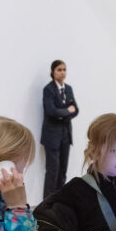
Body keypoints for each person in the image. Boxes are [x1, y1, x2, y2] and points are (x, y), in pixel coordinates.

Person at [41, 59, 78, 197]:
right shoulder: (48, 89)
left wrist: (62, 113)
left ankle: (59, 202)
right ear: (52, 72)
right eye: (59, 70)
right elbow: (51, 111)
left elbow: (76, 110)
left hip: (66, 136)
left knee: (63, 172)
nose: (62, 72)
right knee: (52, 172)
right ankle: (47, 203)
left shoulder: (68, 89)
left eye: (64, 69)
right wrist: (67, 111)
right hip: (52, 137)